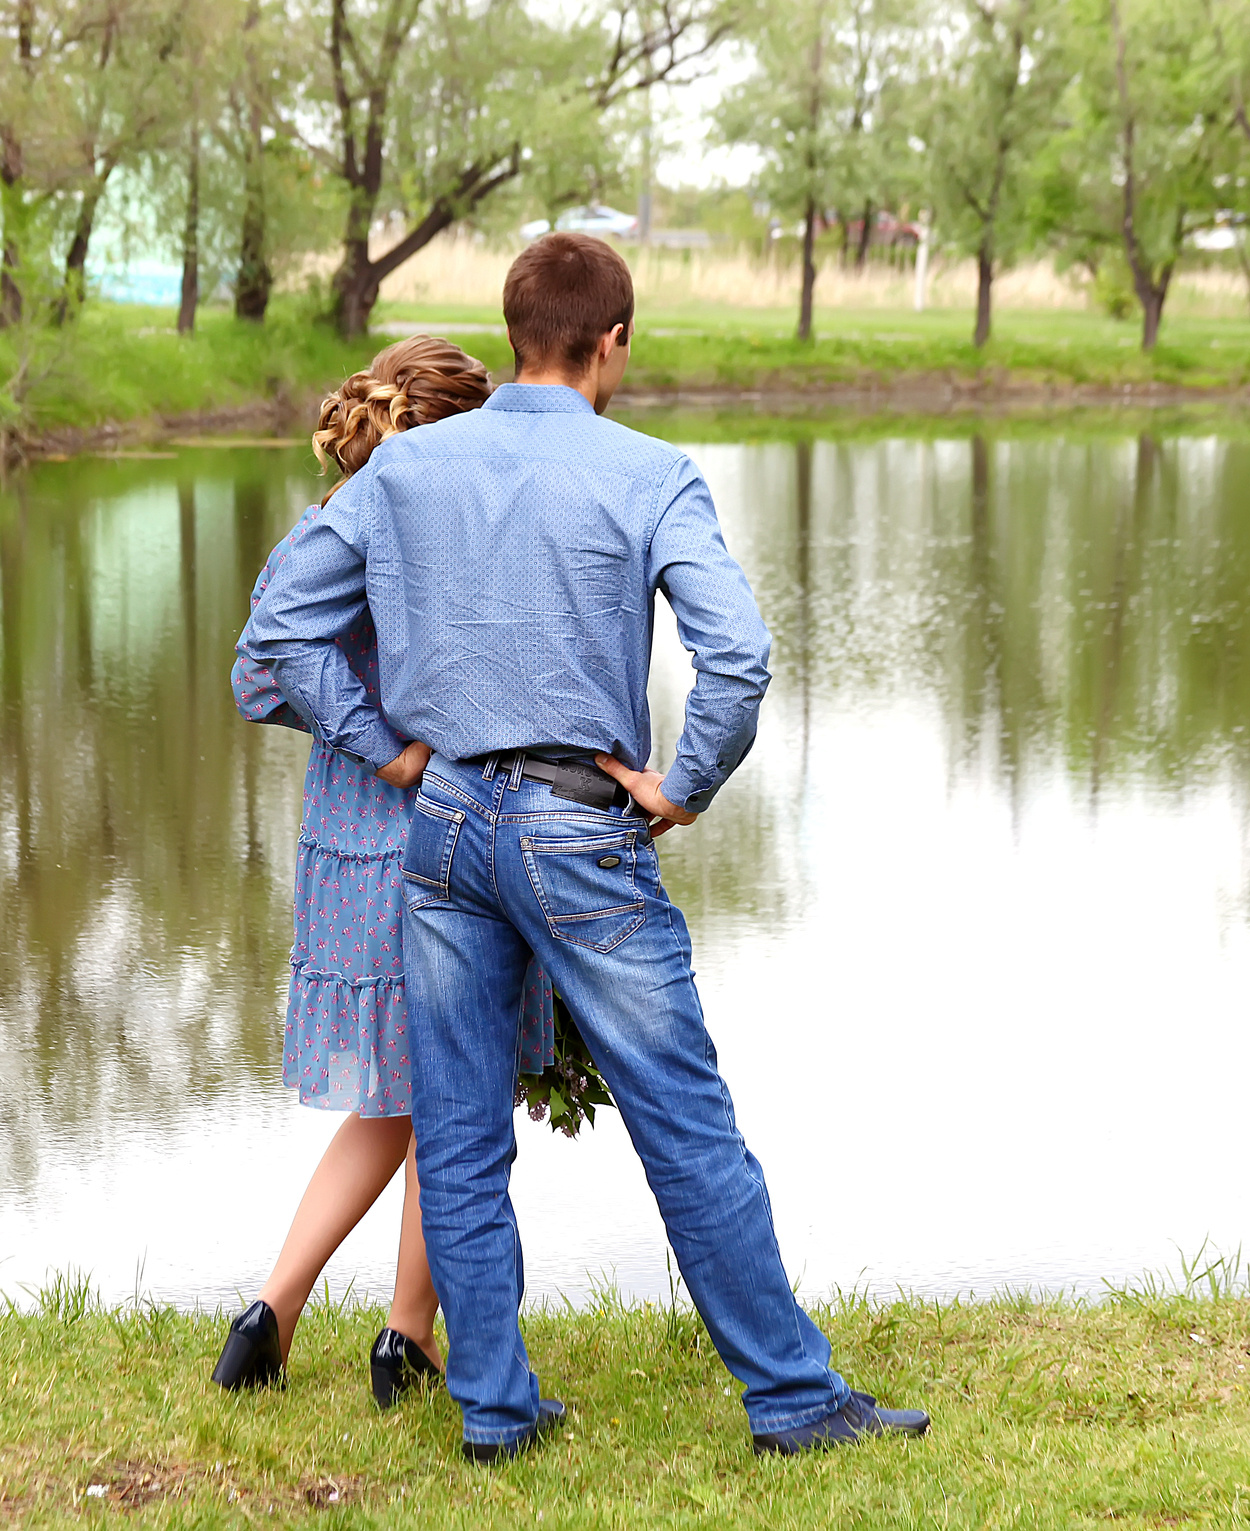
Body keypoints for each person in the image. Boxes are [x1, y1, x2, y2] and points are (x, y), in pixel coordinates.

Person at [241, 233, 931, 1462]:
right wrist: (681, 788)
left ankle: (495, 1415)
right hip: (576, 827)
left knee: (455, 1129)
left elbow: (279, 631)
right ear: (612, 341)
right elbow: (739, 657)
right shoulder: (651, 473)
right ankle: (792, 1399)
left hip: (444, 827)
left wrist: (391, 750)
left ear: (514, 335)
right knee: (684, 1116)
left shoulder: (408, 473)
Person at [212, 335, 556, 1406]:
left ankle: (271, 1311)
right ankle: (405, 1337)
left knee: (402, 1102)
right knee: (457, 1089)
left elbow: (256, 680)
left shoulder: (313, 536)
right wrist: (394, 741)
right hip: (432, 826)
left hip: (341, 847)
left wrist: (346, 725)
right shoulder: (450, 548)